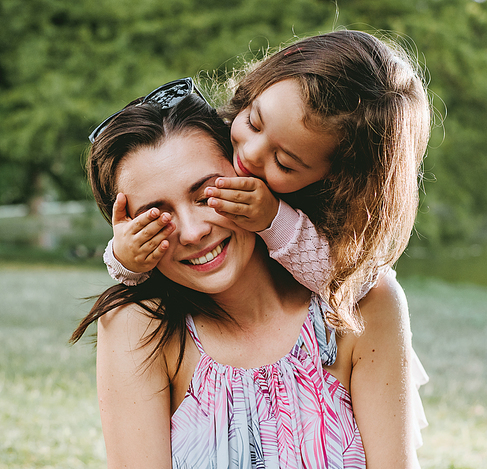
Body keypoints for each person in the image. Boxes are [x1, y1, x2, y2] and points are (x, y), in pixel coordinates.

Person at [102, 29, 430, 454]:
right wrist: (124, 258)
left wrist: (274, 218)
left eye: (208, 195)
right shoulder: (141, 327)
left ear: (329, 180)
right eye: (155, 218)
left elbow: (343, 279)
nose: (252, 156)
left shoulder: (355, 295)